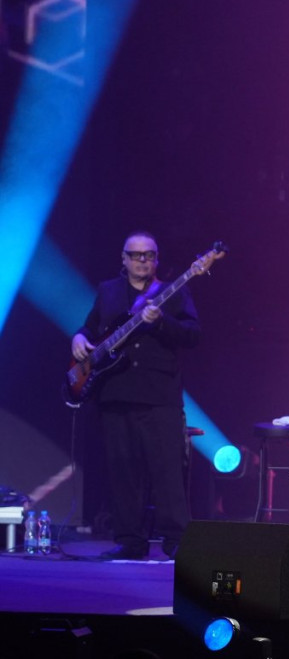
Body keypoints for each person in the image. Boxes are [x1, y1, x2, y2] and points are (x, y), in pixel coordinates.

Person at [71, 231, 200, 560]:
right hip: (116, 392)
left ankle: (176, 541)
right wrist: (79, 337)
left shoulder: (173, 292)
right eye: (136, 255)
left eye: (149, 255)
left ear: (156, 259)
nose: (142, 260)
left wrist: (161, 322)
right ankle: (130, 540)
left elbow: (192, 335)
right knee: (123, 472)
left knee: (167, 472)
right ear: (124, 258)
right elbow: (90, 327)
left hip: (159, 395)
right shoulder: (108, 291)